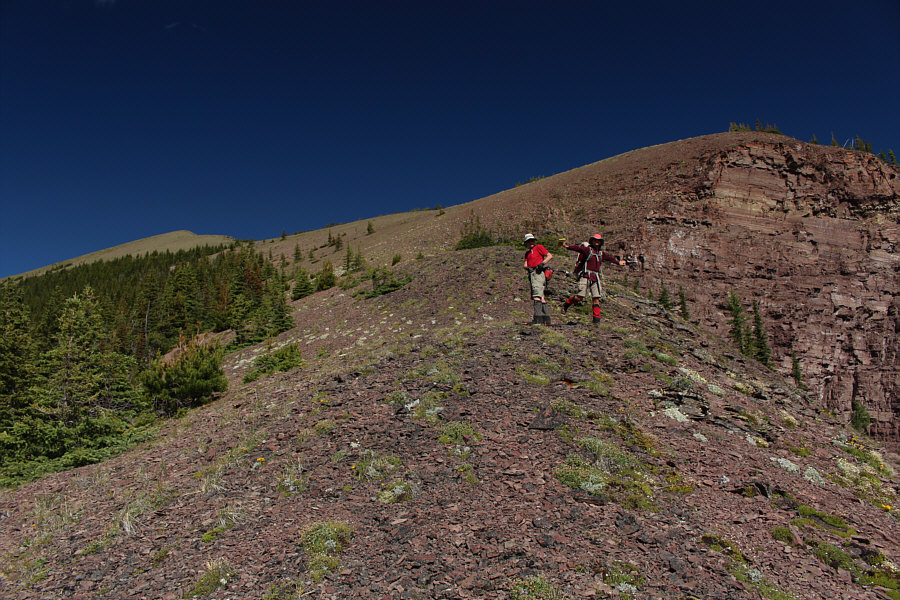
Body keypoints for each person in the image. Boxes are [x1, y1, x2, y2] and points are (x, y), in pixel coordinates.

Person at [559, 233, 625, 323]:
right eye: (595, 240)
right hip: (585, 275)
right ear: (592, 241)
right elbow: (578, 249)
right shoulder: (587, 250)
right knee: (579, 297)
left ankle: (596, 321)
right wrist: (568, 247)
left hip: (595, 277)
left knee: (596, 298)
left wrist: (618, 262)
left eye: (598, 240)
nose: (597, 242)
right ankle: (566, 305)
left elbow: (610, 258)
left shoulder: (601, 253)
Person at [523, 233, 553, 325]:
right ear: (527, 243)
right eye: (529, 241)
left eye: (532, 240)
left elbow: (549, 256)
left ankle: (538, 319)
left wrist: (541, 264)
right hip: (532, 273)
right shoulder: (528, 253)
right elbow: (525, 264)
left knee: (537, 295)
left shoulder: (538, 247)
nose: (531, 242)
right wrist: (528, 268)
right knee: (541, 296)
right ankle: (546, 319)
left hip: (538, 273)